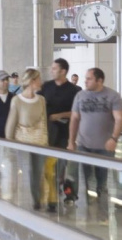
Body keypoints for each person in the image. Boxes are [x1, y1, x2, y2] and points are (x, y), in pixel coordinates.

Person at [68, 68, 122, 219]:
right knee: (85, 179)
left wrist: (114, 138)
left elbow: (119, 118)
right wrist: (71, 141)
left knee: (103, 181)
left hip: (105, 147)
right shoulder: (80, 95)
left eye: (89, 79)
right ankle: (88, 210)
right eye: (85, 78)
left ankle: (102, 211)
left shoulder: (112, 96)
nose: (85, 81)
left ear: (100, 81)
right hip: (84, 145)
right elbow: (74, 119)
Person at [39, 58, 81, 208]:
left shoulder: (74, 91)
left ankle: (70, 194)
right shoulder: (46, 87)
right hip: (49, 133)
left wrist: (60, 115)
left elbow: (77, 113)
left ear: (63, 71)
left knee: (65, 166)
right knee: (49, 166)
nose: (52, 71)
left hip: (67, 134)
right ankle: (52, 193)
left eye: (55, 68)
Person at [5, 69, 48, 211]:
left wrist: (46, 142)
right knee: (26, 171)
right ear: (32, 81)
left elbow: (44, 123)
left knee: (38, 172)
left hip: (39, 142)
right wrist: (9, 144)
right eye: (38, 79)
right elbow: (11, 124)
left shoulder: (41, 100)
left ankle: (37, 201)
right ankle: (26, 203)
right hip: (22, 143)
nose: (41, 82)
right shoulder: (17, 100)